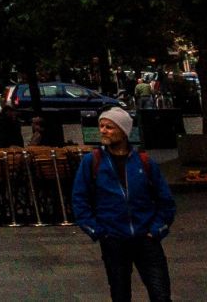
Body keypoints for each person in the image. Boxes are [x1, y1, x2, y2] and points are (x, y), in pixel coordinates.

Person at [71, 107, 175, 302]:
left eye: (109, 127)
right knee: (120, 294)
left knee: (160, 294)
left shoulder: (144, 162)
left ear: (123, 130)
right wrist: (97, 231)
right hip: (113, 239)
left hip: (146, 238)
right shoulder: (92, 162)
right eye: (101, 126)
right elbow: (79, 200)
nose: (103, 131)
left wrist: (156, 230)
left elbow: (166, 201)